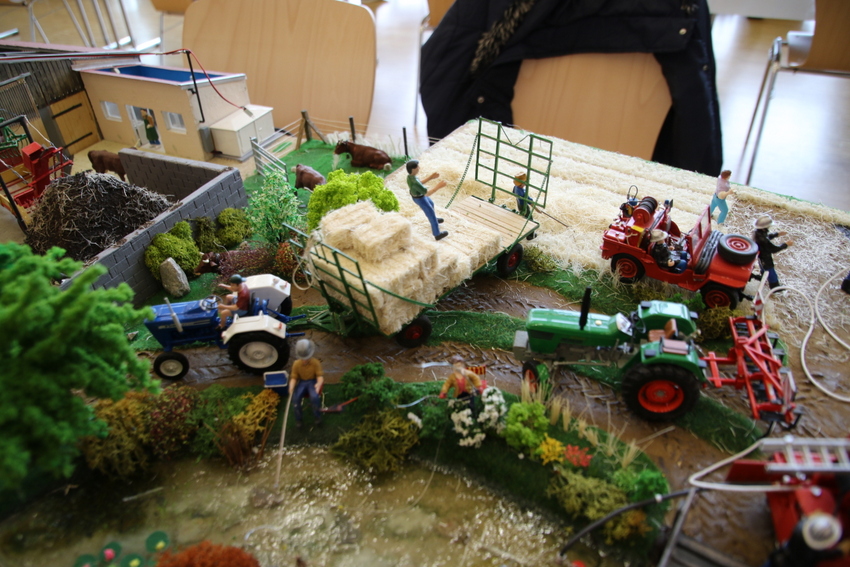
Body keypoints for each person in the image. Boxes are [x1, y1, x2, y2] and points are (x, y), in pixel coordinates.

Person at [762, 512, 850, 567]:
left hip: (778, 559)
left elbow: (811, 517)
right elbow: (834, 553)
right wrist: (840, 551)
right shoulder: (816, 552)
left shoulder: (799, 527)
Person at [406, 160, 448, 241]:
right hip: (420, 199)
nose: (419, 168)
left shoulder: (410, 177)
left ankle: (434, 220)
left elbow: (420, 183)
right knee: (430, 214)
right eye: (417, 167)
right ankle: (437, 234)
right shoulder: (414, 182)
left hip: (418, 196)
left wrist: (430, 177)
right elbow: (427, 193)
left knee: (431, 204)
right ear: (413, 169)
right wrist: (438, 186)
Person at [288, 339, 324, 428]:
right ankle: (298, 419)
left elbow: (320, 377)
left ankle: (317, 417)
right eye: (303, 358)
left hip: (312, 382)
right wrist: (291, 387)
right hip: (302, 382)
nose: (304, 360)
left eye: (306, 358)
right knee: (296, 399)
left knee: (314, 397)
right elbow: (294, 377)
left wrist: (318, 384)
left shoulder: (316, 363)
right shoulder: (296, 364)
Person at [752, 214, 793, 290]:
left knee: (763, 268)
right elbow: (774, 249)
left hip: (760, 255)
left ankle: (763, 278)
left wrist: (777, 234)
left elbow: (767, 236)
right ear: (764, 228)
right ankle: (775, 286)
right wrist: (785, 244)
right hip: (765, 257)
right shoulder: (763, 240)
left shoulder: (757, 233)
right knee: (770, 271)